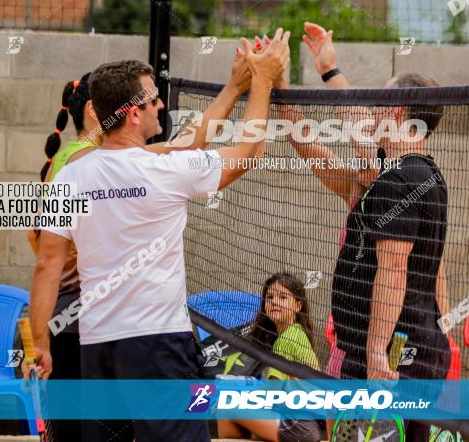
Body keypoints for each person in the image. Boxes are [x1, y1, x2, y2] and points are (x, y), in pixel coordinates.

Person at [29, 30, 289, 442]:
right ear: (134, 114)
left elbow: (47, 264)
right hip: (158, 344)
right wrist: (262, 81)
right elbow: (247, 154)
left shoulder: (74, 174)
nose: (162, 104)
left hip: (97, 346)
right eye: (153, 100)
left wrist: (39, 341)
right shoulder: (162, 172)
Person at [279, 23, 451, 442]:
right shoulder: (412, 175)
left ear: (395, 112)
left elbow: (394, 271)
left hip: (392, 354)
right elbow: (331, 142)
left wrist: (377, 353)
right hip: (404, 347)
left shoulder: (398, 181)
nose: (369, 111)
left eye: (380, 103)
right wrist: (326, 70)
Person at [27, 73, 99, 442]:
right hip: (74, 319)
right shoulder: (86, 158)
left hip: (71, 317)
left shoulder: (73, 156)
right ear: (92, 110)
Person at [217, 272, 324, 442]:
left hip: (297, 426)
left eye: (283, 297)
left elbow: (273, 393)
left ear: (298, 305)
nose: (274, 301)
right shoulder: (297, 333)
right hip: (308, 424)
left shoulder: (287, 339)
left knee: (225, 405)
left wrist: (242, 389)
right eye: (270, 297)